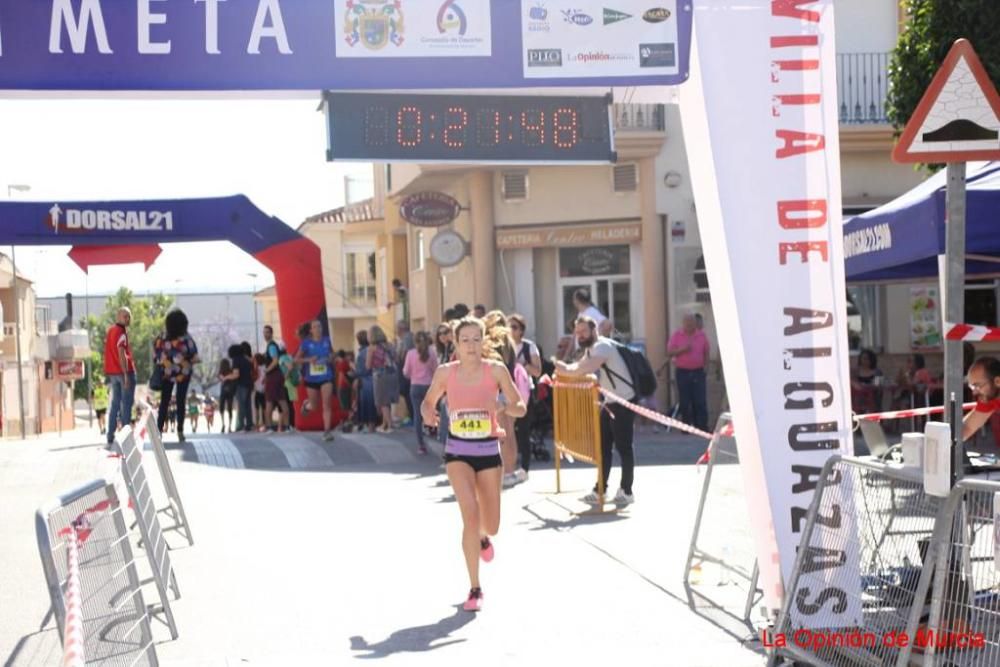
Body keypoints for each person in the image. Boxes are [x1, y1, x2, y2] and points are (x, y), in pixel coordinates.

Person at [420, 316, 526, 612]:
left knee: (490, 525)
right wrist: (428, 413)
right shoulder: (445, 372)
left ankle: (483, 537)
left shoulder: (495, 370)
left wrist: (503, 406)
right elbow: (427, 402)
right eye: (464, 340)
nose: (470, 345)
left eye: (476, 339)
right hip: (457, 452)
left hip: (489, 452)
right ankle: (475, 588)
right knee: (469, 513)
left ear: (484, 342)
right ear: (454, 344)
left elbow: (521, 407)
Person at [556, 315, 637, 505]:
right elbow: (580, 366)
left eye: (584, 331)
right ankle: (600, 489)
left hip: (623, 401)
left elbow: (583, 370)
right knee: (602, 447)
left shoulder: (602, 347)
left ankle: (626, 490)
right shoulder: (592, 349)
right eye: (577, 333)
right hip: (610, 401)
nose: (580, 336)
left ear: (594, 330)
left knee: (623, 447)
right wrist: (566, 368)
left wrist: (564, 369)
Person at [483, 311, 520, 487]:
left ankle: (506, 472)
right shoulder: (509, 343)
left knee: (501, 436)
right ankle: (510, 470)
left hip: (497, 391)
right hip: (509, 390)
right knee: (510, 434)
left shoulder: (492, 343)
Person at [152, 309, 199, 443]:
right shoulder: (187, 339)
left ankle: (159, 431)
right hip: (183, 374)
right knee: (180, 401)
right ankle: (180, 431)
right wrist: (183, 360)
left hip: (167, 374)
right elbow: (195, 355)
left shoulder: (161, 339)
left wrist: (167, 362)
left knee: (164, 402)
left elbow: (156, 357)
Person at [664, 313, 710, 432]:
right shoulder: (677, 335)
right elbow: (669, 352)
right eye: (687, 322)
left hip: (698, 371)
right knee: (685, 400)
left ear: (695, 323)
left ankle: (702, 426)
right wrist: (683, 350)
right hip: (683, 372)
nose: (689, 325)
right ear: (683, 323)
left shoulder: (701, 335)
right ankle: (686, 427)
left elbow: (706, 352)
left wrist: (706, 367)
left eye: (692, 322)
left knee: (700, 400)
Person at [509, 313, 541, 481]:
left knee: (523, 431)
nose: (510, 330)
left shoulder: (529, 347)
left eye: (514, 327)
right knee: (507, 432)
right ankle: (509, 466)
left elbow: (538, 371)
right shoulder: (504, 346)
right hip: (506, 393)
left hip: (524, 393)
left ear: (521, 330)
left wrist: (523, 365)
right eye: (508, 326)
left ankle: (524, 468)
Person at [296, 319, 336, 441]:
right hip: (311, 378)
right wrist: (309, 360)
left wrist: (331, 358)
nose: (318, 329)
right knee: (314, 406)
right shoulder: (306, 343)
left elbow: (333, 355)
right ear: (311, 330)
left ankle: (327, 431)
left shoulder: (327, 341)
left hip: (326, 376)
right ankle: (306, 406)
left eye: (320, 326)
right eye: (315, 327)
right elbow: (296, 359)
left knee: (327, 404)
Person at [104, 307, 136, 447]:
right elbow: (121, 352)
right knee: (126, 405)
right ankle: (125, 438)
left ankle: (110, 435)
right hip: (124, 373)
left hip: (112, 373)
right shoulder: (121, 332)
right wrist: (125, 374)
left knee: (115, 404)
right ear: (118, 316)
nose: (127, 319)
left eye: (129, 316)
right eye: (125, 316)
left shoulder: (110, 331)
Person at [403, 331, 439, 454]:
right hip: (429, 386)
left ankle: (421, 445)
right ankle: (434, 432)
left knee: (417, 416)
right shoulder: (432, 352)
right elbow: (436, 370)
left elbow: (406, 372)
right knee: (432, 411)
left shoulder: (411, 353)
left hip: (415, 386)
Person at [368, 325, 399, 434]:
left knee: (382, 401)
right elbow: (396, 358)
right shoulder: (389, 346)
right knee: (388, 400)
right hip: (392, 374)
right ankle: (384, 423)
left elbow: (368, 365)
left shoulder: (372, 348)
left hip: (380, 375)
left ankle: (389, 425)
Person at [961, 357, 1000, 441]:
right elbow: (968, 427)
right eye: (972, 387)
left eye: (977, 386)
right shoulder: (988, 399)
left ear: (997, 381)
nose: (974, 392)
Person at [262, 325, 289, 433]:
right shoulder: (272, 346)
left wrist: (267, 371)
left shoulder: (271, 346)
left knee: (269, 401)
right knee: (282, 400)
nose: (265, 334)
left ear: (271, 333)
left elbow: (275, 360)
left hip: (273, 377)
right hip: (278, 376)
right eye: (264, 332)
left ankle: (269, 426)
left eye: (267, 332)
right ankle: (287, 427)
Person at [355, 330, 378, 433]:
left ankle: (370, 426)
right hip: (375, 378)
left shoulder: (363, 353)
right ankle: (373, 425)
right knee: (373, 403)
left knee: (367, 404)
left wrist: (354, 371)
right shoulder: (374, 349)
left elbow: (362, 369)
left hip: (366, 380)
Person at [850, 348, 883, 415]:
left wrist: (863, 386)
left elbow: (877, 385)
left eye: (867, 359)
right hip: (858, 399)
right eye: (863, 358)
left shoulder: (877, 372)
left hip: (872, 399)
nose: (864, 361)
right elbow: (852, 382)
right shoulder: (855, 371)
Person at [396, 321, 416, 426]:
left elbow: (406, 353)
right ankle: (411, 416)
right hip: (404, 369)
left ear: (401, 329)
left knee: (408, 394)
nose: (396, 330)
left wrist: (400, 359)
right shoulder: (404, 338)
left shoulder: (408, 338)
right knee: (406, 394)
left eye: (397, 328)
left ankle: (413, 417)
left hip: (407, 370)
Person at [218, 357, 236, 433]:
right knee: (230, 408)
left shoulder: (220, 372)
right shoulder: (231, 371)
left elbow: (221, 379)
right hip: (230, 392)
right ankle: (229, 426)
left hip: (223, 392)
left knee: (221, 408)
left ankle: (223, 424)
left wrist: (224, 378)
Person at [253, 353, 267, 430]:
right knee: (262, 407)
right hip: (261, 389)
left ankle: (259, 425)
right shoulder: (264, 367)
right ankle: (263, 424)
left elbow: (256, 377)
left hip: (260, 389)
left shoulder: (258, 368)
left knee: (259, 407)